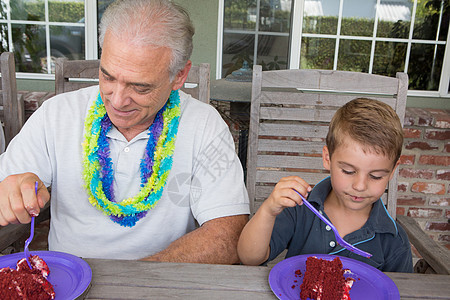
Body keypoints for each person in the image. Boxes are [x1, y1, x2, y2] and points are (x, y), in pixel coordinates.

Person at [0, 0, 249, 263]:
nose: (117, 101)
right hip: (67, 281)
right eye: (107, 77)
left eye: (140, 88)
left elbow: (228, 235)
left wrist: (134, 281)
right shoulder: (56, 114)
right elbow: (7, 188)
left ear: (179, 76)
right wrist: (12, 193)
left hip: (160, 283)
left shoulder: (204, 125)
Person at [237, 98, 413, 272]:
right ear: (327, 159)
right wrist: (268, 211)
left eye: (376, 176)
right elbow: (250, 258)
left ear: (392, 171)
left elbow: (399, 292)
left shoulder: (394, 241)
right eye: (348, 171)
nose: (360, 186)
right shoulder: (301, 207)